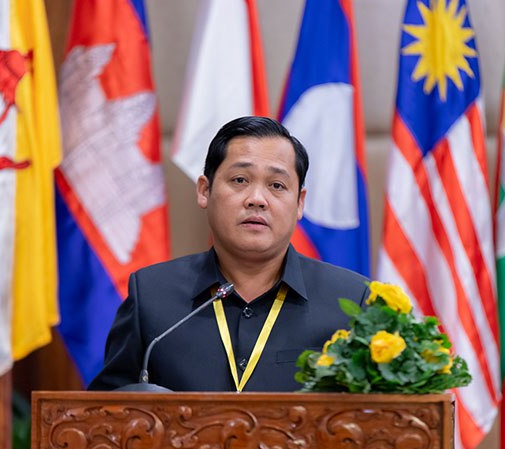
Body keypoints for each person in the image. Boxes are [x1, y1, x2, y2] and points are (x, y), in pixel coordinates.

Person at [88, 116, 369, 392]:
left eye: (277, 185)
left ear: (299, 203)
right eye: (239, 180)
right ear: (204, 191)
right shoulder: (152, 295)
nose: (257, 199)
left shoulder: (351, 301)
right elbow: (106, 409)